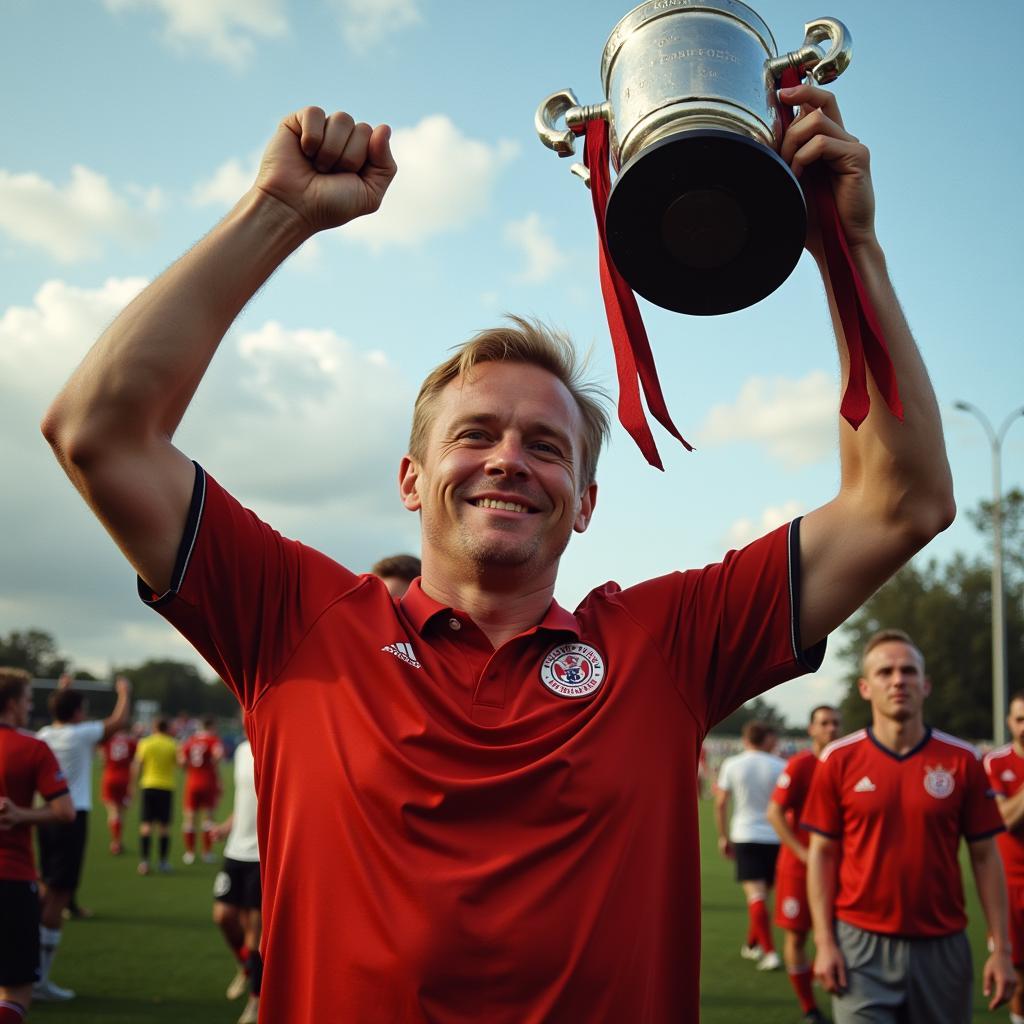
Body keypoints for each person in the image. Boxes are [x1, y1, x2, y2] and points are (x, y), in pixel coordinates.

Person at [41, 84, 956, 1021]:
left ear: (586, 502)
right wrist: (275, 215)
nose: (509, 461)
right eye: (475, 434)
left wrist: (849, 252)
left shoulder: (666, 646)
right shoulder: (295, 620)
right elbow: (99, 433)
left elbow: (903, 501)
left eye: (546, 446)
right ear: (411, 478)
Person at [803, 629, 1015, 1022]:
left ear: (926, 684)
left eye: (908, 671)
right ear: (865, 687)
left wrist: (1002, 950)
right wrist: (824, 940)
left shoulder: (963, 760)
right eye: (885, 672)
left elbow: (986, 858)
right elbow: (822, 854)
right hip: (859, 947)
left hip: (942, 945)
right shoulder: (837, 760)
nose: (898, 680)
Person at [34, 675, 131, 1001]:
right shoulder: (80, 734)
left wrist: (64, 691)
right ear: (77, 712)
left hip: (45, 816)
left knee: (48, 887)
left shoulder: (45, 733)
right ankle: (40, 976)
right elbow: (117, 722)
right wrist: (123, 693)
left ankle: (32, 967)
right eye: (83, 708)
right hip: (71, 817)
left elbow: (60, 715)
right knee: (59, 894)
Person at [0, 668, 75, 1024]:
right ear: (13, 704)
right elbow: (64, 811)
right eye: (28, 700)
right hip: (11, 879)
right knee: (16, 991)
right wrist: (21, 814)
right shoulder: (31, 748)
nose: (30, 708)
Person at [766, 703, 842, 1023]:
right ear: (810, 729)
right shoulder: (799, 765)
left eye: (836, 723)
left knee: (841, 938)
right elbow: (774, 813)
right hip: (799, 869)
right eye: (823, 723)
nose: (830, 729)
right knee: (797, 937)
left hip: (840, 869)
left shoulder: (847, 762)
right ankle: (809, 1006)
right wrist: (801, 853)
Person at [714, 720, 787, 971]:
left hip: (745, 835)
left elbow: (721, 802)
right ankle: (752, 944)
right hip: (776, 837)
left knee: (756, 896)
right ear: (766, 739)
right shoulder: (781, 765)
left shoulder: (732, 764)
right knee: (761, 895)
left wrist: (723, 836)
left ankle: (769, 953)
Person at [211, 737, 261, 1024]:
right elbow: (244, 802)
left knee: (255, 932)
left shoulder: (275, 745)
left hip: (261, 856)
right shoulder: (242, 750)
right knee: (223, 916)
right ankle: (247, 968)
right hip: (235, 850)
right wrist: (226, 827)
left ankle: (256, 1000)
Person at [984, 691, 1024, 1024]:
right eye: (1020, 719)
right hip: (1011, 885)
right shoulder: (996, 762)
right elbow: (1005, 820)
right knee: (1019, 973)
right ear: (1009, 723)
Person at [133, 718, 178, 875]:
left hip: (148, 785)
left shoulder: (145, 743)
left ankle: (144, 862)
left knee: (146, 825)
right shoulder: (172, 743)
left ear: (154, 728)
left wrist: (133, 785)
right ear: (166, 728)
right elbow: (179, 763)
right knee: (164, 827)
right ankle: (163, 862)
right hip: (166, 787)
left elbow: (137, 765)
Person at [178, 716, 224, 864]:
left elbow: (181, 760)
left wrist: (189, 769)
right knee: (208, 819)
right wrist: (212, 766)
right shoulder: (213, 740)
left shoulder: (191, 740)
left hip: (192, 782)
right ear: (211, 726)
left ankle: (190, 853)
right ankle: (207, 852)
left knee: (190, 818)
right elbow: (219, 754)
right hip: (208, 781)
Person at [98, 721, 137, 855]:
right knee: (121, 812)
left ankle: (115, 842)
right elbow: (134, 762)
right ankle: (118, 841)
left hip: (109, 776)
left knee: (112, 812)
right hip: (124, 778)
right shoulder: (131, 742)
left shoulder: (108, 740)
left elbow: (102, 758)